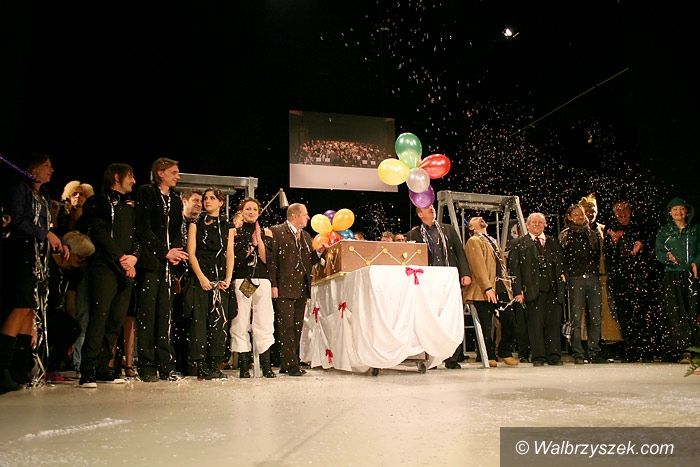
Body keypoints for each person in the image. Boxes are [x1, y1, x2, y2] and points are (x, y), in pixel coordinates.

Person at [1, 154, 68, 394]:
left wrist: (58, 241)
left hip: (38, 258)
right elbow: (18, 221)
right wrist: (44, 234)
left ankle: (19, 368)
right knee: (20, 306)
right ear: (33, 167)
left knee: (30, 309)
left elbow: (46, 227)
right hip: (21, 254)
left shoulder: (44, 195)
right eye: (46, 165)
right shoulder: (20, 189)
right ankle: (2, 367)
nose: (51, 169)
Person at [78, 163, 139, 388]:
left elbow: (138, 236)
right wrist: (121, 257)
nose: (133, 181)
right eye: (130, 176)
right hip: (104, 267)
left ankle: (104, 366)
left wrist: (134, 257)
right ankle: (88, 370)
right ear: (116, 176)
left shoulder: (130, 207)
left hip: (127, 268)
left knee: (116, 319)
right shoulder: (99, 202)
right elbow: (100, 233)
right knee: (100, 317)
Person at [134, 157, 188, 382]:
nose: (178, 176)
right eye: (174, 172)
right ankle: (146, 365)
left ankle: (166, 364)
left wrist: (176, 251)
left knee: (166, 315)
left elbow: (177, 230)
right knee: (148, 314)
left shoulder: (175, 200)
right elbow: (143, 229)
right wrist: (165, 251)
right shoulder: (146, 192)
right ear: (160, 173)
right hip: (151, 263)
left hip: (168, 266)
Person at [406, 204, 471, 369]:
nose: (432, 209)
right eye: (427, 208)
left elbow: (459, 251)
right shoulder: (413, 234)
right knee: (430, 317)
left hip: (449, 279)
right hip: (428, 281)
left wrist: (465, 273)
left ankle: (452, 357)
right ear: (420, 214)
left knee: (452, 315)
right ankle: (431, 357)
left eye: (432, 207)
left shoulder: (448, 229)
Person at [268, 203, 324, 377]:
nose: (308, 217)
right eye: (305, 214)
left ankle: (290, 362)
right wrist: (273, 284)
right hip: (284, 287)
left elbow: (308, 261)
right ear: (294, 216)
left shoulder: (306, 236)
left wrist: (318, 253)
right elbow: (272, 261)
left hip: (301, 288)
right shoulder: (277, 231)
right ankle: (290, 364)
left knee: (297, 326)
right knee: (286, 326)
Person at [185, 188, 234, 379]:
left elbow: (230, 254)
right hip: (201, 275)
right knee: (200, 321)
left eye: (212, 198)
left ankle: (215, 363)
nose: (207, 201)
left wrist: (228, 278)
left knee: (219, 321)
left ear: (221, 202)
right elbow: (191, 253)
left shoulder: (227, 225)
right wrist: (201, 278)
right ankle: (200, 365)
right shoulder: (196, 223)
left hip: (220, 276)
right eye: (206, 198)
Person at [508, 213, 565, 366]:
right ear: (527, 225)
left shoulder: (553, 242)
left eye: (540, 222)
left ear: (545, 225)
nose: (537, 225)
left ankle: (554, 356)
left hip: (553, 289)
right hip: (532, 291)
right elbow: (514, 269)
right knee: (535, 326)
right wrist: (518, 291)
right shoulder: (519, 243)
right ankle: (538, 357)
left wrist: (563, 276)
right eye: (533, 222)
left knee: (553, 324)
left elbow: (561, 263)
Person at [463, 217, 518, 367]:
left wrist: (507, 285)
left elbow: (501, 264)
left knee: (509, 320)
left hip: (500, 286)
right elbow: (478, 265)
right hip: (483, 289)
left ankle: (505, 351)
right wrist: (487, 287)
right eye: (475, 219)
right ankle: (488, 354)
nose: (480, 218)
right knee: (486, 325)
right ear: (471, 228)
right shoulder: (474, 240)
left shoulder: (492, 240)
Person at [230, 198, 276, 378]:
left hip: (262, 280)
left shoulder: (266, 231)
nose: (251, 212)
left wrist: (259, 241)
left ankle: (266, 366)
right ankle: (243, 366)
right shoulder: (235, 231)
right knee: (241, 321)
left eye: (254, 209)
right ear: (241, 211)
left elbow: (267, 260)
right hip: (243, 279)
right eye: (248, 209)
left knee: (264, 321)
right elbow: (235, 259)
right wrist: (251, 245)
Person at [655, 197, 700, 364]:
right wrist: (667, 257)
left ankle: (696, 347)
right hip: (672, 274)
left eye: (681, 209)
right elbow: (659, 252)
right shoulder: (664, 231)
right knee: (676, 312)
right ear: (670, 212)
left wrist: (696, 263)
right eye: (675, 209)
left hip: (692, 274)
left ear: (687, 211)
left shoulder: (695, 229)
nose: (678, 212)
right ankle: (684, 349)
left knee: (694, 310)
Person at [559, 204, 604, 364]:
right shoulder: (565, 235)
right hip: (575, 279)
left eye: (581, 214)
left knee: (596, 317)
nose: (579, 217)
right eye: (576, 214)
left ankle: (594, 351)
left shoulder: (592, 234)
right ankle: (578, 353)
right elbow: (561, 258)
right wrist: (564, 274)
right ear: (569, 217)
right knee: (576, 319)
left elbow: (597, 255)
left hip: (592, 278)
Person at [605, 201, 649, 362]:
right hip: (619, 279)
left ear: (631, 211)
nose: (622, 213)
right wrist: (614, 242)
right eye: (618, 210)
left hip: (639, 278)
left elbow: (648, 250)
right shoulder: (611, 229)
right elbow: (608, 256)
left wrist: (641, 246)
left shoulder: (640, 228)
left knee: (640, 314)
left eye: (624, 209)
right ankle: (630, 349)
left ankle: (644, 349)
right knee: (623, 314)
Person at [172, 188, 203, 376]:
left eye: (201, 201)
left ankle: (190, 364)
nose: (199, 204)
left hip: (194, 280)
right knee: (176, 322)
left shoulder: (201, 224)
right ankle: (175, 363)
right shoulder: (175, 222)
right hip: (176, 278)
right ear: (184, 201)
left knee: (191, 322)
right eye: (195, 200)